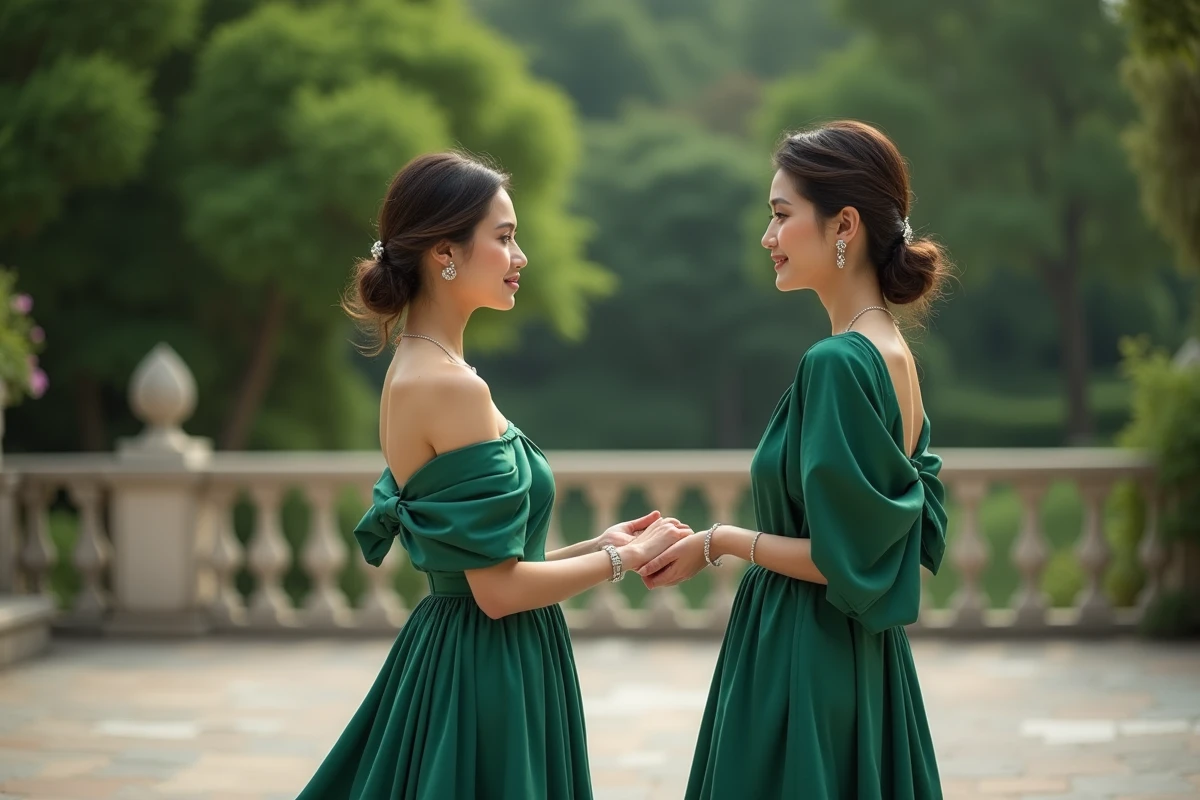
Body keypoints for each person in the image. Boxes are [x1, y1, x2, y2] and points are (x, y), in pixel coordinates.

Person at [296, 151, 689, 800]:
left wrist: (598, 545)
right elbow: (498, 592)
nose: (520, 257)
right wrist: (628, 559)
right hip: (486, 668)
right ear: (444, 253)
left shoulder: (416, 367)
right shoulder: (451, 387)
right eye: (504, 238)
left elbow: (484, 567)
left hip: (465, 650)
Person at [639, 120, 951, 799]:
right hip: (861, 656)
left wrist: (720, 540)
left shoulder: (838, 363)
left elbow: (840, 558)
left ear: (845, 225)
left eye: (781, 215)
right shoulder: (892, 351)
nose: (768, 236)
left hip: (804, 652)